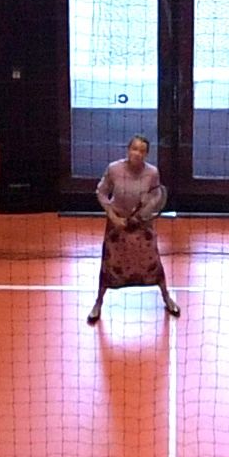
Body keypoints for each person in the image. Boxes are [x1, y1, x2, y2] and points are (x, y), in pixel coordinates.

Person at [88, 133, 173, 324]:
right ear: (128, 150)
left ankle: (166, 296)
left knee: (153, 262)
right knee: (109, 265)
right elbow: (101, 192)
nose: (137, 153)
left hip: (141, 224)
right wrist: (113, 217)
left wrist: (142, 215)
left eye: (142, 151)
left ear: (146, 154)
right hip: (117, 224)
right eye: (134, 149)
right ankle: (98, 302)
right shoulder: (114, 169)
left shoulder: (152, 172)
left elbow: (156, 196)